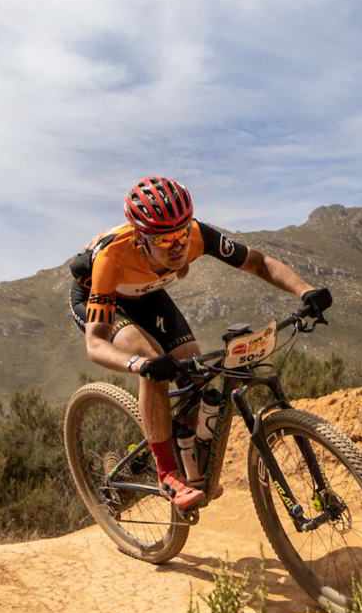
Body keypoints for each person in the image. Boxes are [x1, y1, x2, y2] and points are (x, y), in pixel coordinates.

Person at [68, 176, 331, 511]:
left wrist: (305, 290)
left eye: (181, 233)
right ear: (139, 235)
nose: (177, 245)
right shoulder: (113, 256)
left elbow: (258, 262)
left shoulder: (197, 235)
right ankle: (168, 475)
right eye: (163, 238)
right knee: (152, 363)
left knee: (192, 365)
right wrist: (142, 366)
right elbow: (96, 344)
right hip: (100, 300)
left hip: (147, 293)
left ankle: (181, 447)